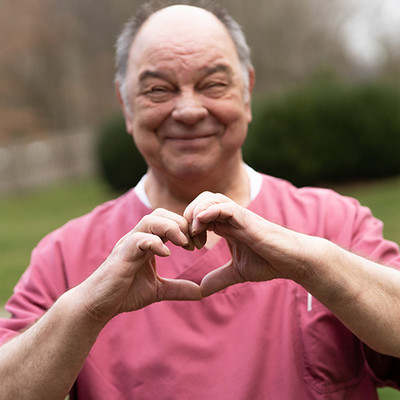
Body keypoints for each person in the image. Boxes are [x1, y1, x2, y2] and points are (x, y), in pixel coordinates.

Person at [1, 1, 400, 399]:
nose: (189, 110)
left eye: (212, 84)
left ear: (246, 94)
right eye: (158, 89)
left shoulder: (333, 222)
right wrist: (87, 308)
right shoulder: (66, 256)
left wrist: (312, 263)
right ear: (126, 106)